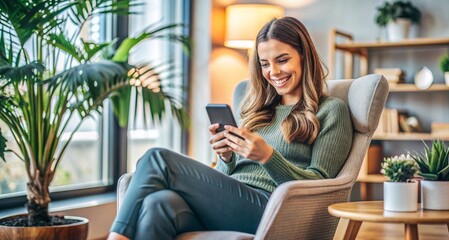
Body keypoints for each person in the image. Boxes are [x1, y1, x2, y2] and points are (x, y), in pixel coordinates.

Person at [108, 16, 353, 240]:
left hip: (273, 209)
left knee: (157, 158)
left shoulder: (331, 110)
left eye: (282, 60)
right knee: (157, 204)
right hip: (235, 203)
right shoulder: (258, 110)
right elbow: (228, 177)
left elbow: (319, 185)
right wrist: (226, 156)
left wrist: (268, 156)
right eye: (265, 64)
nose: (273, 72)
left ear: (304, 56)